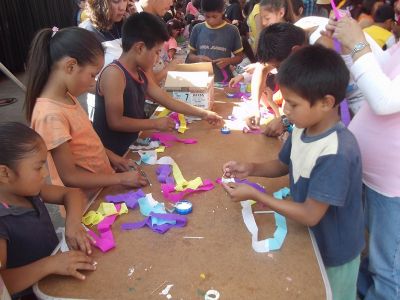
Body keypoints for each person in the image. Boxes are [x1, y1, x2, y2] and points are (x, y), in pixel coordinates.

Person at [222, 45, 364, 300]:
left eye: (292, 103)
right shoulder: (303, 126)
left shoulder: (336, 151)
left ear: (326, 102)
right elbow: (284, 164)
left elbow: (310, 214)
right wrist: (251, 168)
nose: (285, 110)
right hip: (311, 241)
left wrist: (259, 197)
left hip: (335, 252)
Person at [325, 15, 400, 300]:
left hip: (393, 188)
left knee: (389, 271)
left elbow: (384, 101)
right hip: (373, 178)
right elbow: (376, 77)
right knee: (372, 257)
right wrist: (351, 46)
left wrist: (358, 44)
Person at [25, 27, 147, 199]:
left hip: (101, 190)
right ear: (71, 66)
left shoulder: (66, 97)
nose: (94, 81)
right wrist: (119, 178)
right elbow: (70, 177)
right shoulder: (50, 115)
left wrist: (113, 158)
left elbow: (87, 141)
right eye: (92, 75)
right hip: (85, 205)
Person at [93, 12, 223, 156]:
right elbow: (115, 121)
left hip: (132, 147)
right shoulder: (114, 74)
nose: (157, 58)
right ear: (140, 48)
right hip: (113, 155)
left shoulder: (140, 72)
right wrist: (154, 123)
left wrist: (204, 113)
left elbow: (168, 101)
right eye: (156, 52)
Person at [0, 122, 96, 298]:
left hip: (58, 278)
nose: (45, 173)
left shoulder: (29, 191)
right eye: (38, 167)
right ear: (5, 173)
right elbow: (3, 284)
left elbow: (71, 193)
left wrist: (73, 224)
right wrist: (50, 265)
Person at [187, 0, 244, 82]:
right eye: (207, 16)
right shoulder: (197, 29)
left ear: (223, 11)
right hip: (201, 79)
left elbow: (239, 57)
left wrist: (228, 61)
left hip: (223, 79)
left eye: (214, 16)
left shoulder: (232, 30)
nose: (211, 20)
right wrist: (198, 58)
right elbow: (190, 55)